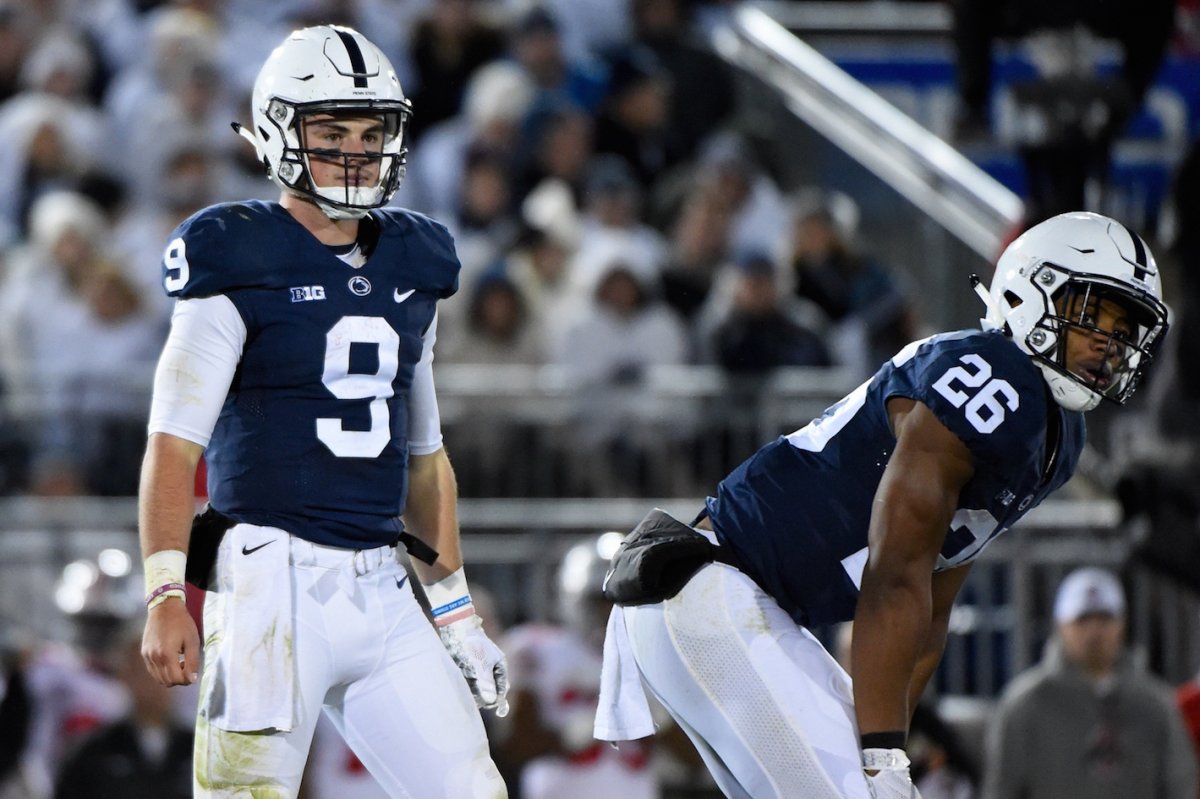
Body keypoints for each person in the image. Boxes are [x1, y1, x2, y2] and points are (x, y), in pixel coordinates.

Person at [594, 211, 1171, 798]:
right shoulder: (994, 377)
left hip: (746, 609)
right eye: (1094, 312)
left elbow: (929, 605)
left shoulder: (1056, 436)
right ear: (1033, 289)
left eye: (1125, 326)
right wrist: (882, 757)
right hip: (713, 592)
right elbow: (894, 569)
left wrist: (891, 748)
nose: (1109, 340)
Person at [136, 25, 509, 798]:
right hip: (271, 584)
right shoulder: (235, 254)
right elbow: (172, 447)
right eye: (331, 131)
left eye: (371, 133)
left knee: (474, 789)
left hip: (382, 584)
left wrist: (457, 610)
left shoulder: (418, 261)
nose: (355, 152)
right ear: (276, 132)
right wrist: (167, 592)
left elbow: (427, 456)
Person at [981, 567, 1197, 799]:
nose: (1094, 631)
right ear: (1060, 625)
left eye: (1105, 618)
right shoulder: (1024, 704)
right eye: (1082, 619)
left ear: (1122, 623)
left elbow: (1180, 784)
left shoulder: (1156, 704)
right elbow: (1001, 788)